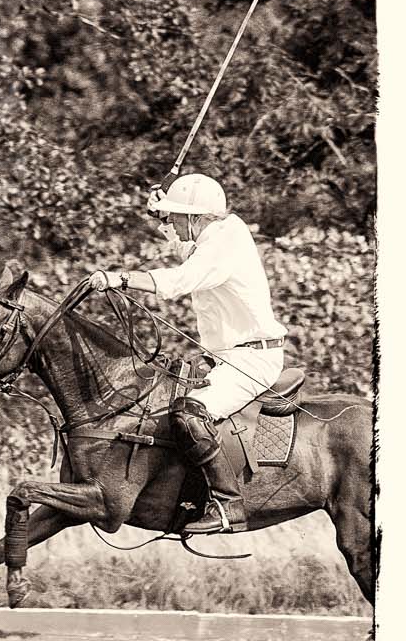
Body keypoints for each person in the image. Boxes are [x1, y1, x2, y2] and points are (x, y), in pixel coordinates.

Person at [86, 173, 289, 533]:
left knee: (191, 413)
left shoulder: (226, 243)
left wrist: (120, 277)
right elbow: (188, 248)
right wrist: (163, 219)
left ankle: (229, 504)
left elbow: (180, 279)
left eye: (177, 217)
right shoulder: (215, 234)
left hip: (253, 358)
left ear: (195, 218)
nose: (174, 225)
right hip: (226, 356)